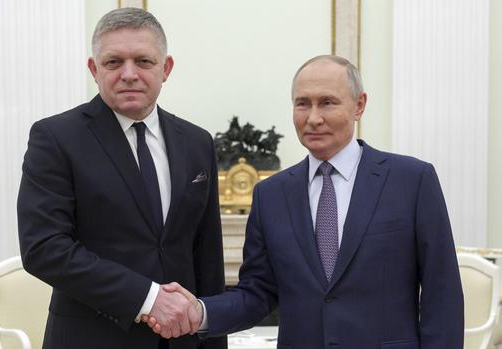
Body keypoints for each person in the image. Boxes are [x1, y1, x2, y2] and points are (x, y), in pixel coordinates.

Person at [146, 55, 464, 348]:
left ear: (359, 105)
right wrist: (199, 311)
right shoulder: (271, 194)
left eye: (327, 103)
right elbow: (258, 293)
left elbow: (443, 294)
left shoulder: (411, 180)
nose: (313, 118)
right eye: (302, 104)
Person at [17, 7, 227, 349]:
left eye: (143, 61)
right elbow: (44, 248)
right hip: (91, 339)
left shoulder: (197, 142)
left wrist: (212, 337)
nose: (129, 74)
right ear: (94, 69)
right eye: (114, 62)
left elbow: (207, 260)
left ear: (166, 68)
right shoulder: (55, 138)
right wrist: (147, 298)